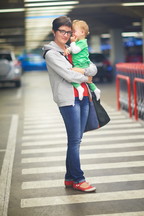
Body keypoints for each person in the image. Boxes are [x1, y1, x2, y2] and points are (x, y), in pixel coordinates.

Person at [43, 16, 97, 192]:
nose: (66, 35)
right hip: (69, 100)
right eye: (62, 31)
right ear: (54, 32)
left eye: (69, 32)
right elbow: (69, 75)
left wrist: (85, 72)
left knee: (76, 140)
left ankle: (69, 178)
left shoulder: (72, 49)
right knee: (74, 141)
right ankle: (79, 179)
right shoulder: (51, 53)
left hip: (83, 98)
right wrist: (87, 77)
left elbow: (93, 67)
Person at [65, 20, 101, 101]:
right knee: (88, 80)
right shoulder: (78, 42)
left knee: (71, 77)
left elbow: (75, 50)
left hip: (81, 64)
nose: (72, 34)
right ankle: (95, 90)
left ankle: (79, 88)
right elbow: (72, 49)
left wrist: (72, 43)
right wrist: (68, 50)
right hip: (81, 64)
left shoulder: (83, 42)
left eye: (74, 31)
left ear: (82, 32)